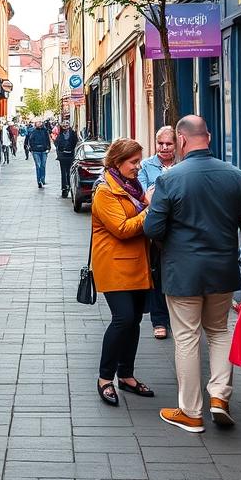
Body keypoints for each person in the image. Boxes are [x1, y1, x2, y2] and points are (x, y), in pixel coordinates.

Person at [144, 116, 241, 431]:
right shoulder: (237, 176)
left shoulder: (170, 179)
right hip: (222, 269)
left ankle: (191, 412)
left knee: (187, 337)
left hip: (182, 272)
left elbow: (153, 227)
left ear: (180, 139)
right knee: (219, 332)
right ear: (208, 137)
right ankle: (219, 396)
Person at [91, 138, 155, 407]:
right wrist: (150, 208)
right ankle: (105, 378)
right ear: (118, 162)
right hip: (115, 264)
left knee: (135, 321)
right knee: (123, 318)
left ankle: (126, 375)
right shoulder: (105, 191)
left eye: (139, 161)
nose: (138, 167)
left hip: (138, 263)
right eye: (134, 162)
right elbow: (122, 228)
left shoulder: (131, 186)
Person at [137, 126, 179, 341]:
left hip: (179, 230)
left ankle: (176, 318)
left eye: (168, 144)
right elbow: (146, 197)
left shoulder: (183, 165)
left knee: (177, 274)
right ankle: (159, 321)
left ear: (176, 144)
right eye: (160, 143)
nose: (163, 148)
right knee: (158, 274)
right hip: (157, 230)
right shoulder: (146, 166)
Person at [55, 118, 79, 199]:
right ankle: (64, 188)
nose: (65, 126)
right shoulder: (60, 134)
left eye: (67, 124)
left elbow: (76, 143)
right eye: (64, 125)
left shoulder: (73, 134)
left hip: (70, 155)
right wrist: (59, 152)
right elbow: (57, 144)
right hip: (62, 156)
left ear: (69, 126)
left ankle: (70, 186)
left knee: (69, 172)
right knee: (63, 173)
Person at [27, 119, 52, 188]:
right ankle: (39, 181)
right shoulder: (33, 131)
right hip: (36, 151)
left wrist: (48, 148)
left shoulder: (45, 131)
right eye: (37, 122)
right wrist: (31, 149)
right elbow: (30, 140)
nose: (38, 123)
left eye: (39, 122)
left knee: (43, 165)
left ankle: (42, 179)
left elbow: (48, 140)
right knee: (38, 166)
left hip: (44, 150)